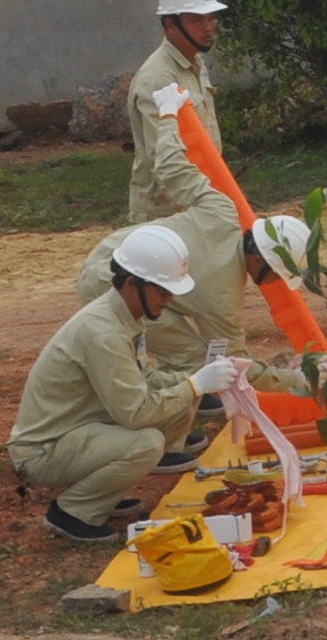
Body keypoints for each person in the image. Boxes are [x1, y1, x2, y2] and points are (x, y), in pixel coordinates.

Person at [12, 220, 244, 540]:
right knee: (146, 442)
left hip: (77, 430)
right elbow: (136, 412)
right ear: (133, 283)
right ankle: (71, 512)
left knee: (177, 406)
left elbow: (144, 379)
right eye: (163, 291)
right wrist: (195, 385)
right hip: (44, 450)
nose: (168, 300)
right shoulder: (104, 332)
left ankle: (105, 492)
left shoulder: (124, 315)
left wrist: (193, 379)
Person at [74, 98, 314, 396]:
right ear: (260, 260)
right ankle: (158, 405)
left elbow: (170, 166)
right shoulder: (223, 299)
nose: (276, 282)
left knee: (189, 352)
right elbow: (234, 363)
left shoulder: (221, 210)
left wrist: (168, 113)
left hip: (108, 253)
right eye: (277, 273)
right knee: (195, 359)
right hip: (114, 283)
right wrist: (295, 380)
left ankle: (173, 395)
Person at [128, 0, 227, 227]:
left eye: (211, 18)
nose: (208, 27)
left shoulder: (194, 62)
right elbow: (164, 162)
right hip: (167, 214)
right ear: (171, 25)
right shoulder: (159, 78)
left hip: (199, 202)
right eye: (196, 20)